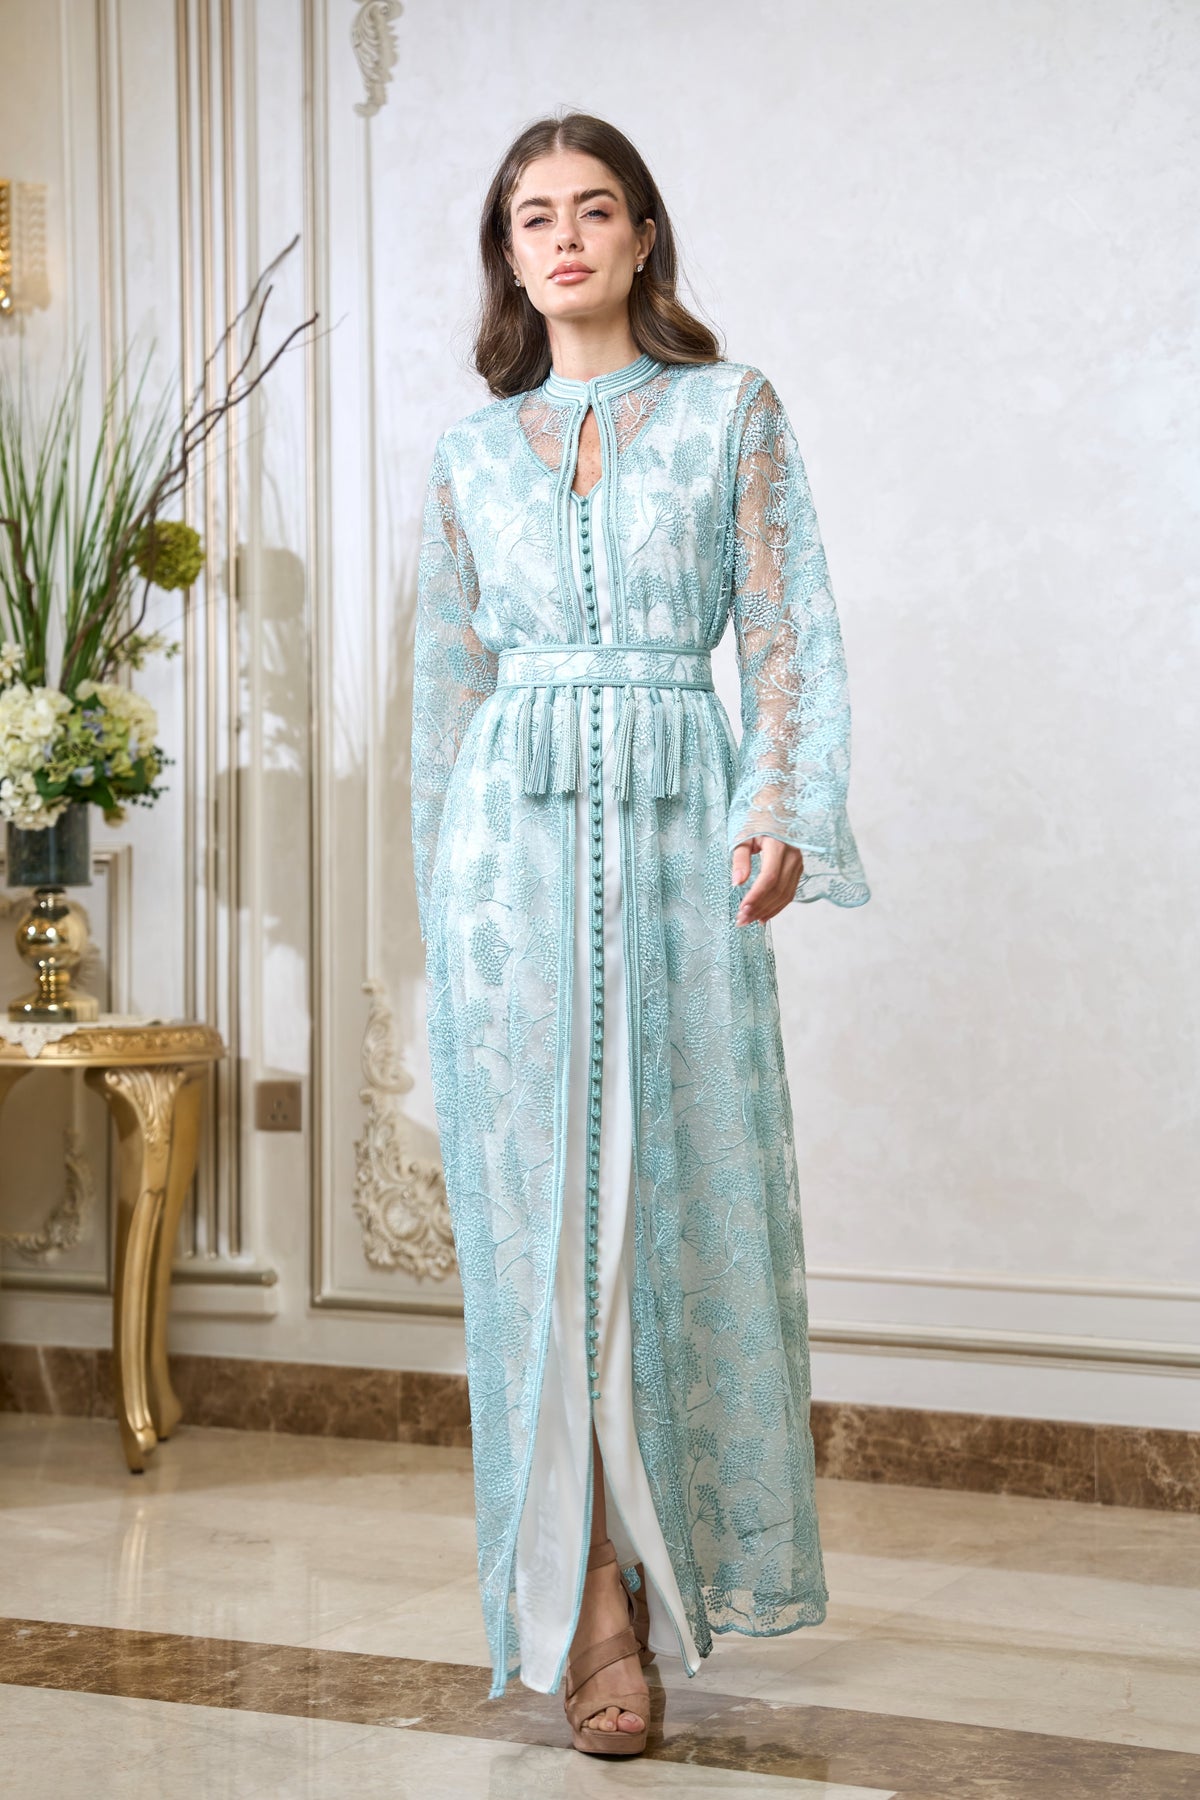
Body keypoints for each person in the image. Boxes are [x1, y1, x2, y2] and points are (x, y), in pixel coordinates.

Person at [410, 109, 870, 1758]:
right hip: (509, 868)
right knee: (543, 1240)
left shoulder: (730, 411)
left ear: (641, 236)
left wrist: (784, 803)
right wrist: (440, 909)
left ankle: (671, 1568)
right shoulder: (472, 456)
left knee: (659, 1217)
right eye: (533, 215)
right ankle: (590, 1602)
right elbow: (444, 691)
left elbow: (786, 627)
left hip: (680, 839)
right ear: (508, 252)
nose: (564, 237)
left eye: (593, 209)